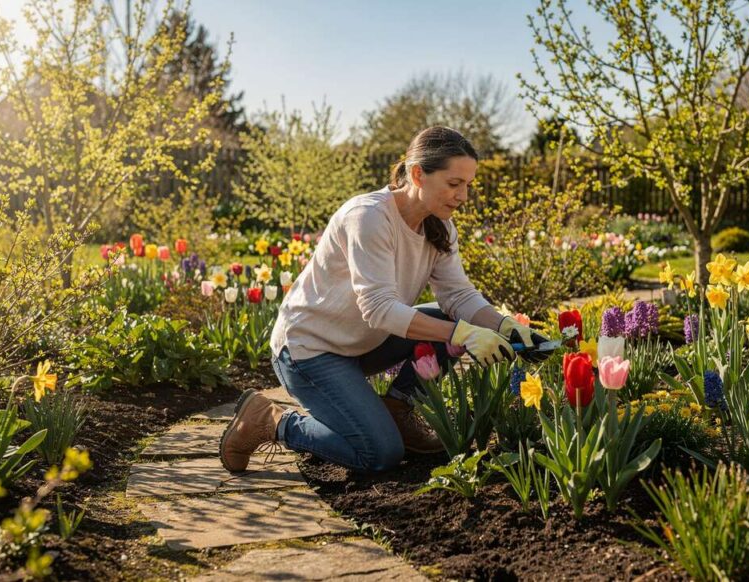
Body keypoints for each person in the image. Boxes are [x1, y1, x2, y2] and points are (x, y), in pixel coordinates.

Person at [219, 126, 551, 473]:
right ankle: (270, 420)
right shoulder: (369, 216)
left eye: (468, 185)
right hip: (310, 350)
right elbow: (378, 309)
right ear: (418, 174)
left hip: (362, 343)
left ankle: (396, 409)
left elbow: (459, 295)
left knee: (450, 320)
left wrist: (506, 326)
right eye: (454, 184)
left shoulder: (440, 227)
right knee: (378, 453)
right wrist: (463, 335)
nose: (463, 196)